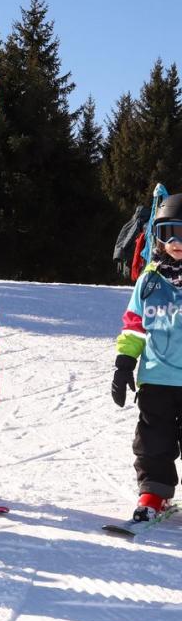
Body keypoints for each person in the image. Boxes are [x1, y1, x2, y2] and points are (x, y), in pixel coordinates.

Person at [112, 192, 182, 522]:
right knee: (153, 440)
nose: (177, 242)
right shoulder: (150, 280)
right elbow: (134, 326)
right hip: (156, 378)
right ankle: (154, 493)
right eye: (169, 233)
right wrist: (124, 362)